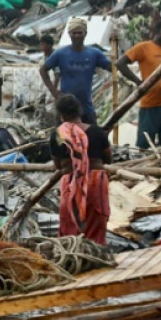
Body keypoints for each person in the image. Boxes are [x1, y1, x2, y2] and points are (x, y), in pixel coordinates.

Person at [116, 20, 161, 148]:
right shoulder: (143, 47)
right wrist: (138, 82)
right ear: (157, 32)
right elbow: (120, 63)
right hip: (150, 104)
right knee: (144, 144)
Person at [50, 94, 111, 245]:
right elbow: (108, 159)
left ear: (61, 115)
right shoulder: (97, 132)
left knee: (70, 222)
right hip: (96, 180)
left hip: (71, 182)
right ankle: (96, 253)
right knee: (96, 222)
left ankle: (73, 256)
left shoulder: (59, 134)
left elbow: (58, 165)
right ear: (79, 112)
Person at [40, 18, 112, 124]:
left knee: (92, 137)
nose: (77, 36)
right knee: (63, 139)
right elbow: (43, 70)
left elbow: (112, 68)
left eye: (79, 33)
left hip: (86, 108)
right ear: (69, 34)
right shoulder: (61, 53)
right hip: (65, 109)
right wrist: (54, 92)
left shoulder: (94, 53)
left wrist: (116, 47)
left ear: (85, 33)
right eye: (74, 33)